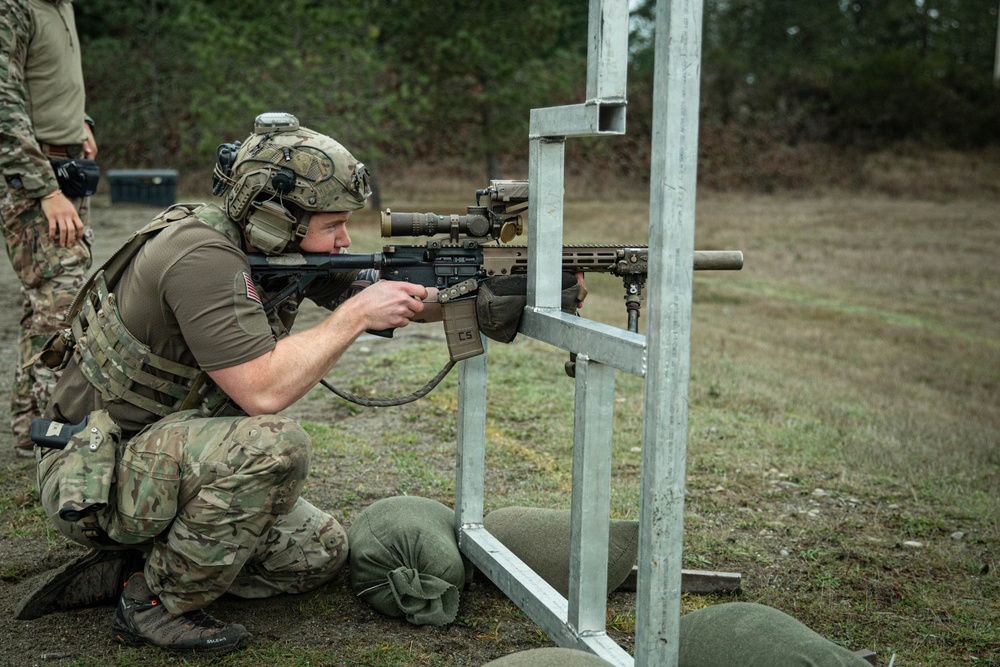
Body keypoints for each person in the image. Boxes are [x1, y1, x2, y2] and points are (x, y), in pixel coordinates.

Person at [17, 113, 430, 655]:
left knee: (319, 553)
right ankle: (154, 603)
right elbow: (263, 392)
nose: (343, 241)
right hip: (93, 474)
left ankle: (142, 559)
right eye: (332, 226)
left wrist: (489, 289)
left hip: (153, 455)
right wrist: (352, 318)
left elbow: (383, 288)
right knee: (276, 446)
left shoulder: (264, 244)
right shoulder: (201, 258)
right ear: (275, 216)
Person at [0, 0, 97, 458]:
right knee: (63, 298)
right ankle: (47, 432)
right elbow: (4, 102)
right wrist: (45, 191)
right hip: (36, 176)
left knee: (46, 301)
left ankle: (30, 429)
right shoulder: (15, 8)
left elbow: (46, 79)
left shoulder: (60, 6)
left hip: (65, 163)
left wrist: (80, 123)